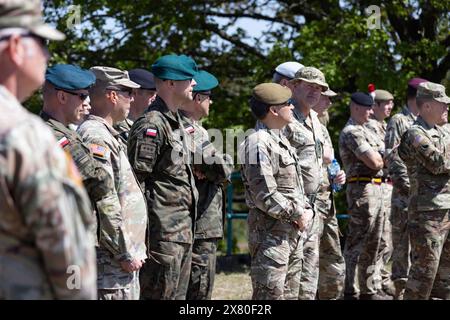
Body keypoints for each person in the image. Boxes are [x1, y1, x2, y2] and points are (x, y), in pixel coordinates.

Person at [0, 0, 96, 299]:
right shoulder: (23, 135)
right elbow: (67, 253)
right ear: (16, 46)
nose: (46, 54)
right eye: (41, 42)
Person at [127, 54, 199, 300]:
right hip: (162, 235)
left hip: (181, 231)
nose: (194, 84)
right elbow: (136, 184)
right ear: (170, 83)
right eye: (188, 79)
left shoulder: (176, 122)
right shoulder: (152, 124)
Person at [78, 66, 147, 300]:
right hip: (111, 260)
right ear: (112, 95)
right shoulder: (96, 136)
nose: (132, 98)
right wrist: (124, 252)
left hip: (117, 259)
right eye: (128, 92)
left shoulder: (107, 133)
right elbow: (104, 200)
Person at [238, 83, 313, 299]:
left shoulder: (279, 140)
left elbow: (294, 187)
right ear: (273, 110)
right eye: (287, 104)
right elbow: (265, 195)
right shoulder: (257, 142)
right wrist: (298, 214)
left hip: (290, 235)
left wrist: (306, 210)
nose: (292, 107)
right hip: (270, 237)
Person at [285, 66, 345, 299]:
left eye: (319, 88)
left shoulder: (316, 122)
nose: (315, 92)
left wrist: (335, 175)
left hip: (318, 207)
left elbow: (325, 160)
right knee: (291, 278)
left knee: (309, 277)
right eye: (309, 86)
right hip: (294, 209)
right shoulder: (285, 116)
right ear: (295, 85)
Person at [181, 70, 233, 299]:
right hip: (197, 224)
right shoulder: (187, 129)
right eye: (208, 97)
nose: (211, 102)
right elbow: (222, 168)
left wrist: (218, 165)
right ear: (197, 99)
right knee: (198, 290)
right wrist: (219, 165)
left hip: (202, 223)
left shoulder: (198, 130)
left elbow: (221, 167)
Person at [40, 64, 113, 227]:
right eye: (82, 96)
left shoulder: (59, 131)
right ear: (62, 97)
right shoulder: (57, 138)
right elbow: (101, 184)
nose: (88, 103)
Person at [398, 81, 450, 300]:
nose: (447, 108)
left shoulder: (443, 132)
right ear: (427, 106)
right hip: (427, 213)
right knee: (424, 274)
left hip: (446, 209)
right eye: (443, 104)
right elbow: (438, 163)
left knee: (445, 277)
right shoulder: (414, 134)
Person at [339, 92, 391, 300]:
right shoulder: (352, 132)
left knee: (375, 243)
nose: (371, 112)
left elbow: (387, 156)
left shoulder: (365, 130)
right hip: (362, 189)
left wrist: (384, 156)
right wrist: (383, 156)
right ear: (356, 107)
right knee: (357, 243)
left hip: (377, 187)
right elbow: (375, 162)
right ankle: (350, 289)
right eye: (368, 108)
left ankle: (369, 290)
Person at [384, 77, 427, 299]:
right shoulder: (399, 121)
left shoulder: (425, 122)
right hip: (405, 196)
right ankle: (400, 291)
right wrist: (412, 188)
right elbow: (392, 157)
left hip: (425, 197)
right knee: (402, 247)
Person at [312, 89, 346, 300]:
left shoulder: (322, 128)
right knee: (308, 264)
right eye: (326, 97)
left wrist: (337, 177)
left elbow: (330, 164)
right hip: (310, 207)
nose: (329, 103)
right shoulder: (293, 126)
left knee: (333, 262)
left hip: (327, 204)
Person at [364, 89, 395, 297]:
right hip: (373, 186)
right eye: (386, 103)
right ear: (374, 106)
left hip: (387, 185)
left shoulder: (385, 126)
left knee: (386, 240)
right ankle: (370, 283)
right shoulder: (367, 127)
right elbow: (377, 159)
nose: (390, 107)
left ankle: (382, 279)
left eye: (392, 103)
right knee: (373, 240)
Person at [114, 68, 157, 141]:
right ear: (134, 93)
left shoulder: (152, 123)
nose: (155, 98)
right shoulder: (116, 125)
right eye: (151, 93)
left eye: (156, 94)